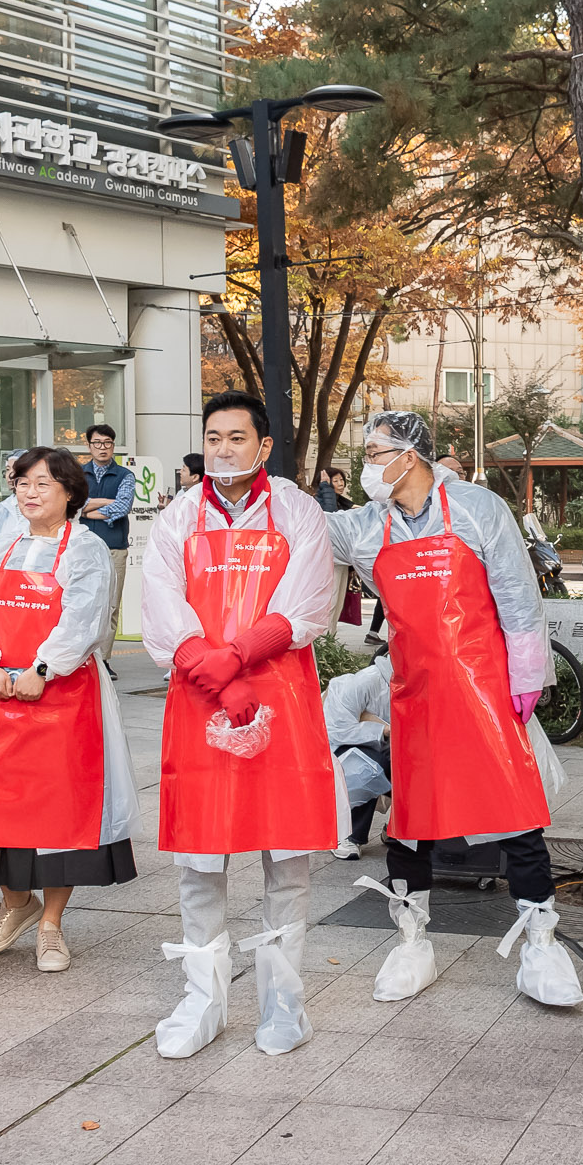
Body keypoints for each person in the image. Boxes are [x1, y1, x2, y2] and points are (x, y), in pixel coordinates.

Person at [325, 410, 578, 1007]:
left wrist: (527, 678)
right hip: (414, 694)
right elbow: (302, 527)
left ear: (408, 456)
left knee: (516, 816)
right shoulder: (367, 525)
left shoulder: (475, 508)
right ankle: (413, 939)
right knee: (411, 821)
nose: (366, 464)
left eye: (374, 452)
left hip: (489, 688)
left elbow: (518, 594)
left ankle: (541, 943)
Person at [142, 392, 341, 1056]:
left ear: (264, 447)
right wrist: (217, 671)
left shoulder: (298, 511)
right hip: (201, 701)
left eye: (236, 437)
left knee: (285, 858)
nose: (223, 448)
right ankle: (204, 999)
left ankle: (284, 1002)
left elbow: (306, 602)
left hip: (278, 699)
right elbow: (161, 606)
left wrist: (238, 657)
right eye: (213, 437)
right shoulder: (177, 515)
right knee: (200, 861)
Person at [0, 445, 137, 971]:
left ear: (69, 492)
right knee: (2, 803)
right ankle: (15, 904)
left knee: (62, 811)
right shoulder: (1, 545)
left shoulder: (85, 548)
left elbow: (83, 618)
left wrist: (41, 669)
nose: (30, 493)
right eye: (23, 484)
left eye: (43, 484)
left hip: (64, 697)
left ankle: (52, 925)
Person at [323, 651, 393, 859]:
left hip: (392, 744)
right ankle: (348, 834)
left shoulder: (420, 680)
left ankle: (399, 829)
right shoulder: (366, 680)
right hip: (347, 746)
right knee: (369, 766)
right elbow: (336, 728)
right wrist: (384, 730)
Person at [81, 423, 136, 662]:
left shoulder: (125, 475)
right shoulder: (79, 475)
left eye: (107, 443)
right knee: (82, 603)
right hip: (82, 548)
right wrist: (104, 503)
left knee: (111, 605)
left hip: (114, 547)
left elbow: (122, 506)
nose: (102, 448)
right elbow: (74, 505)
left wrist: (88, 510)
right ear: (89, 445)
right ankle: (83, 658)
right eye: (97, 443)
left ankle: (103, 660)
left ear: (113, 446)